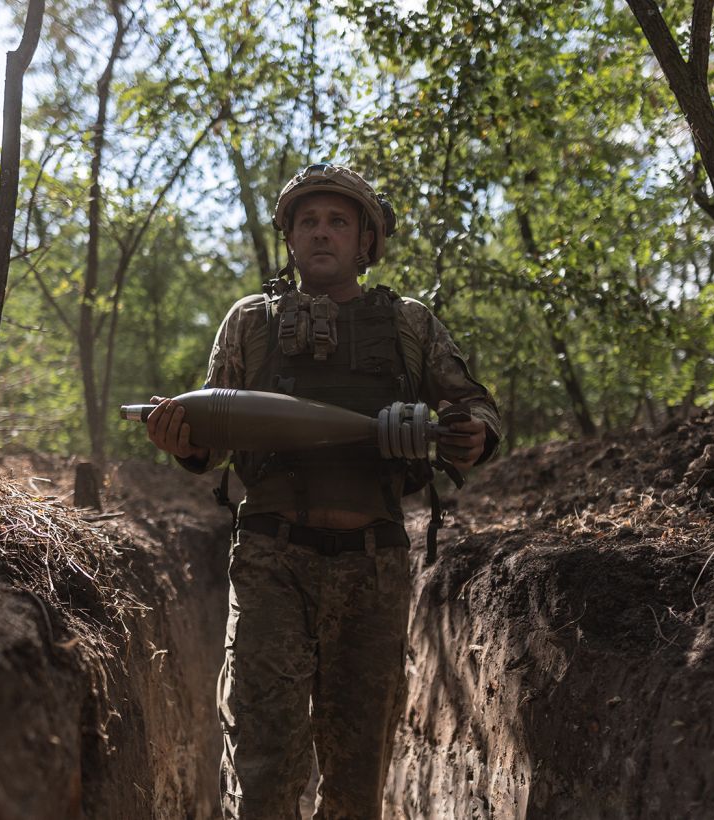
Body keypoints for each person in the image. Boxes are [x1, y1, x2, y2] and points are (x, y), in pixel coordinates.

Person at [145, 163, 501, 819]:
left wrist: (472, 434)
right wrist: (182, 439)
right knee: (262, 774)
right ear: (290, 237)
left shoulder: (410, 325)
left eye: (338, 220)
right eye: (308, 220)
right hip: (270, 564)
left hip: (374, 568)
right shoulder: (250, 322)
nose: (321, 232)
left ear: (367, 240)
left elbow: (476, 408)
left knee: (356, 783)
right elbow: (215, 430)